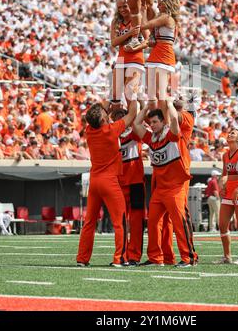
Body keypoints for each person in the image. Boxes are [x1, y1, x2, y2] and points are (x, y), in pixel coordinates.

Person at [133, 100, 198, 267]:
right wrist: (147, 107)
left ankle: (188, 258)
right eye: (151, 122)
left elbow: (175, 121)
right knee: (153, 223)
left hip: (175, 188)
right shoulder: (151, 138)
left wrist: (167, 103)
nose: (152, 125)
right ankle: (156, 258)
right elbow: (136, 124)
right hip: (160, 189)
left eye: (155, 122)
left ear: (163, 121)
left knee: (179, 223)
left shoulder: (172, 135)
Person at [76, 98, 138, 268]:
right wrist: (131, 95)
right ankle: (120, 258)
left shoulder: (90, 130)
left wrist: (109, 105)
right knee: (120, 221)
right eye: (105, 113)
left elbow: (99, 112)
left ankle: (82, 258)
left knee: (89, 222)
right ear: (103, 119)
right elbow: (132, 113)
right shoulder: (111, 130)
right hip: (109, 181)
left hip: (94, 180)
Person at [112, 108, 145, 266]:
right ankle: (122, 255)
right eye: (116, 118)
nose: (120, 120)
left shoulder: (134, 132)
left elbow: (137, 117)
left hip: (135, 183)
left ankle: (134, 256)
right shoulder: (111, 136)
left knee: (136, 222)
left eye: (122, 117)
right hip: (118, 183)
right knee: (120, 221)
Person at [141, 0, 180, 119]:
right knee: (152, 95)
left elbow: (144, 25)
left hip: (163, 56)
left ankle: (167, 123)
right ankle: (156, 123)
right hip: (156, 55)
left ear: (166, 3)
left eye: (159, 3)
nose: (158, 6)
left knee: (160, 94)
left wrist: (142, 11)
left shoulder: (166, 17)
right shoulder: (164, 17)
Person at [217, 128, 238, 265]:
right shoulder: (225, 155)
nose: (229, 134)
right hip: (229, 192)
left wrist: (237, 190)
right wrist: (222, 185)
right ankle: (227, 256)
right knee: (222, 225)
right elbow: (225, 174)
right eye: (229, 132)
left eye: (233, 133)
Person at [110, 0, 148, 106]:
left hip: (135, 59)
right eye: (119, 7)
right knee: (115, 95)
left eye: (125, 6)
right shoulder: (116, 22)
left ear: (130, 6)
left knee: (129, 91)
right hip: (121, 59)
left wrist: (135, 48)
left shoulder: (138, 19)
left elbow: (148, 40)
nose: (122, 10)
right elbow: (114, 42)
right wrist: (129, 33)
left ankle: (137, 119)